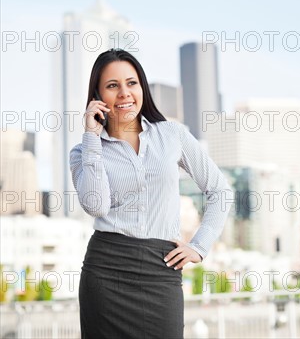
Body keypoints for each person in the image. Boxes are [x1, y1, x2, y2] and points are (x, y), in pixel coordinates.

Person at [69, 48, 234, 339]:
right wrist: (92, 137)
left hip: (161, 270)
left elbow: (220, 190)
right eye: (112, 86)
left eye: (131, 83)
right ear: (97, 95)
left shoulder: (172, 134)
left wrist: (199, 245)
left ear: (142, 87)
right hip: (106, 271)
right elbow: (96, 205)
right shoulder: (84, 151)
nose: (124, 93)